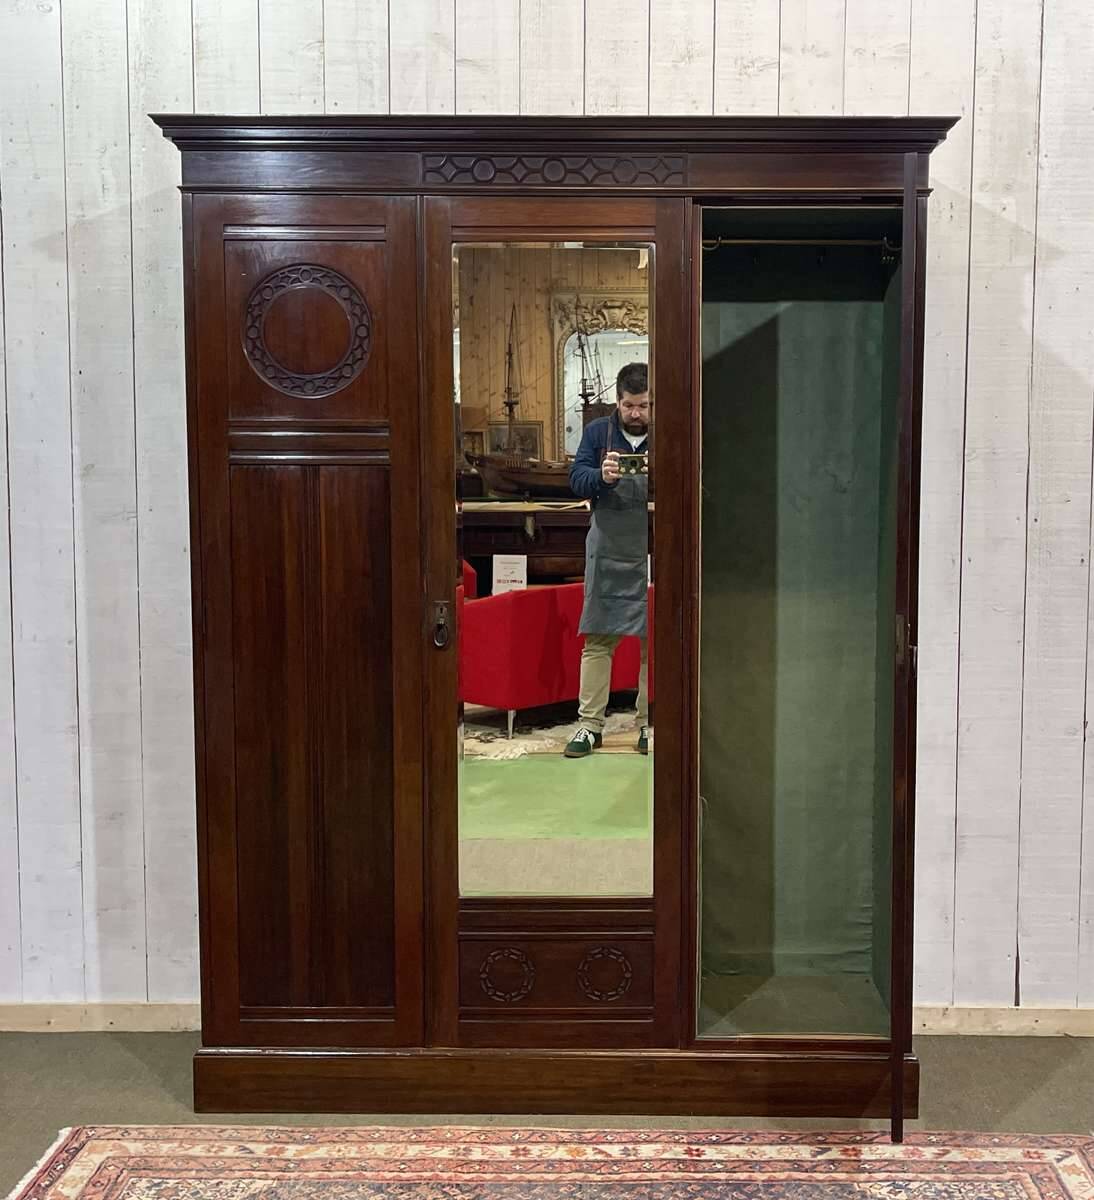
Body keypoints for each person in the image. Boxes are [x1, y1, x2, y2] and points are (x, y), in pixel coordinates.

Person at [564, 362, 650, 759]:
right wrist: (602, 476)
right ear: (618, 400)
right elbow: (576, 480)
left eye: (644, 406)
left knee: (655, 640)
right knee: (598, 638)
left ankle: (650, 723)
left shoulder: (671, 431)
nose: (636, 413)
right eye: (629, 405)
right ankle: (589, 726)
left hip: (654, 547)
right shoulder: (598, 432)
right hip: (608, 546)